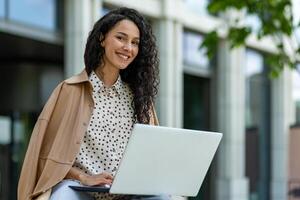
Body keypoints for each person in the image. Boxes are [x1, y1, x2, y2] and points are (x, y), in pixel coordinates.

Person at [18, 7, 169, 200]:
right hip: (81, 190)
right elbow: (48, 159)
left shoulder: (140, 99)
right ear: (102, 39)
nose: (128, 48)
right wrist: (84, 177)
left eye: (135, 42)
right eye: (121, 38)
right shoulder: (70, 91)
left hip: (130, 194)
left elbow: (153, 157)